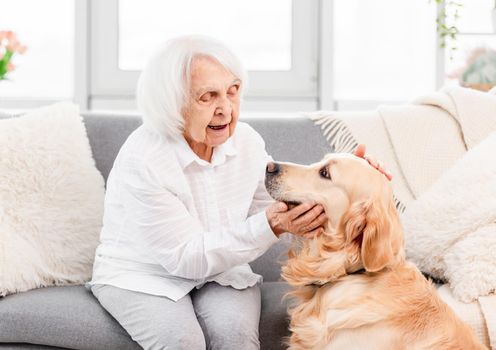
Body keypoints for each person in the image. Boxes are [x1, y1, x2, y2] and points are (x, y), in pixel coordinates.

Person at [88, 35, 390, 350]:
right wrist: (271, 225)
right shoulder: (146, 158)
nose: (226, 109)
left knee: (236, 337)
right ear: (172, 102)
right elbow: (186, 258)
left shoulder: (245, 141)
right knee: (182, 342)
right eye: (208, 96)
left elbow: (283, 205)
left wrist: (354, 182)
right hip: (142, 276)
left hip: (220, 271)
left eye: (233, 91)